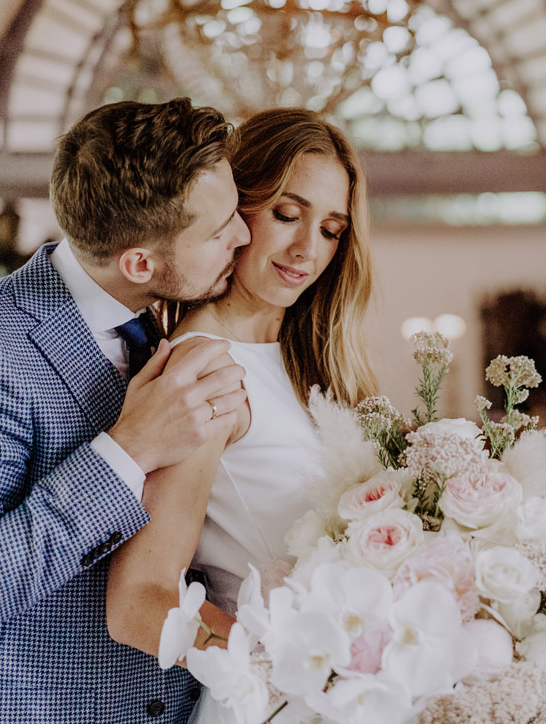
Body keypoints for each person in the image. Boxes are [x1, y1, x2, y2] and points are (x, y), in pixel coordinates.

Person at [0, 98, 252, 724]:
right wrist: (128, 450)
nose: (243, 235)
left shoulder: (158, 320)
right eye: (221, 230)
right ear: (140, 262)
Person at [105, 108, 377, 724]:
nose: (308, 249)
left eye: (332, 229)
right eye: (287, 215)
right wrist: (288, 673)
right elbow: (140, 601)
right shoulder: (205, 370)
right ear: (236, 207)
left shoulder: (316, 366)